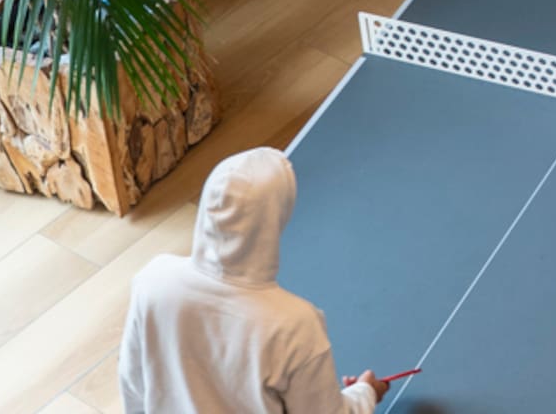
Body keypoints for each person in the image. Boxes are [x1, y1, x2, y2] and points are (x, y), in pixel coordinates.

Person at [120, 148, 388, 413]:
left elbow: (133, 384)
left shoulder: (152, 281)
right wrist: (364, 394)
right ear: (275, 217)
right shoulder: (295, 326)